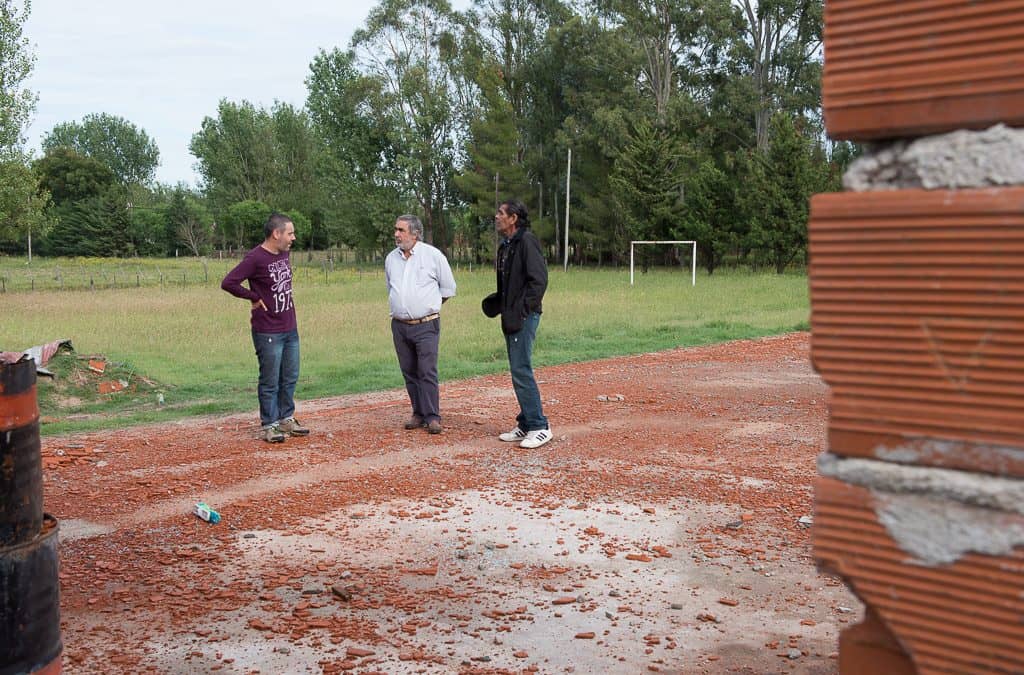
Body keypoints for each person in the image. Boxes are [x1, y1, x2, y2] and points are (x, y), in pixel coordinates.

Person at [221, 212, 310, 443]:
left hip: (290, 326)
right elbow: (228, 282)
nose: (293, 238)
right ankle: (270, 424)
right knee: (270, 379)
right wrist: (253, 296)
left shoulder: (284, 254)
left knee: (289, 376)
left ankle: (286, 418)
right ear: (276, 233)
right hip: (268, 329)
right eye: (290, 233)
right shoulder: (255, 258)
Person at [482, 198, 552, 449]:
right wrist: (500, 303)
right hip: (512, 315)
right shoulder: (506, 246)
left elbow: (539, 281)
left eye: (501, 213)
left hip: (524, 316)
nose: (497, 216)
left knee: (521, 369)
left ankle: (539, 426)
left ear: (514, 218)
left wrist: (522, 311)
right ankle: (525, 423)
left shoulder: (527, 241)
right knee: (517, 368)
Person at [385, 214, 457, 434]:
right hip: (399, 325)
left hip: (426, 325)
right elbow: (391, 289)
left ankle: (432, 416)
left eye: (401, 230)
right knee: (409, 371)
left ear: (415, 233)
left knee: (426, 370)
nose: (396, 234)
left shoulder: (433, 256)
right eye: (396, 230)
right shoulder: (391, 259)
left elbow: (447, 289)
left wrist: (427, 307)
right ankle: (418, 413)